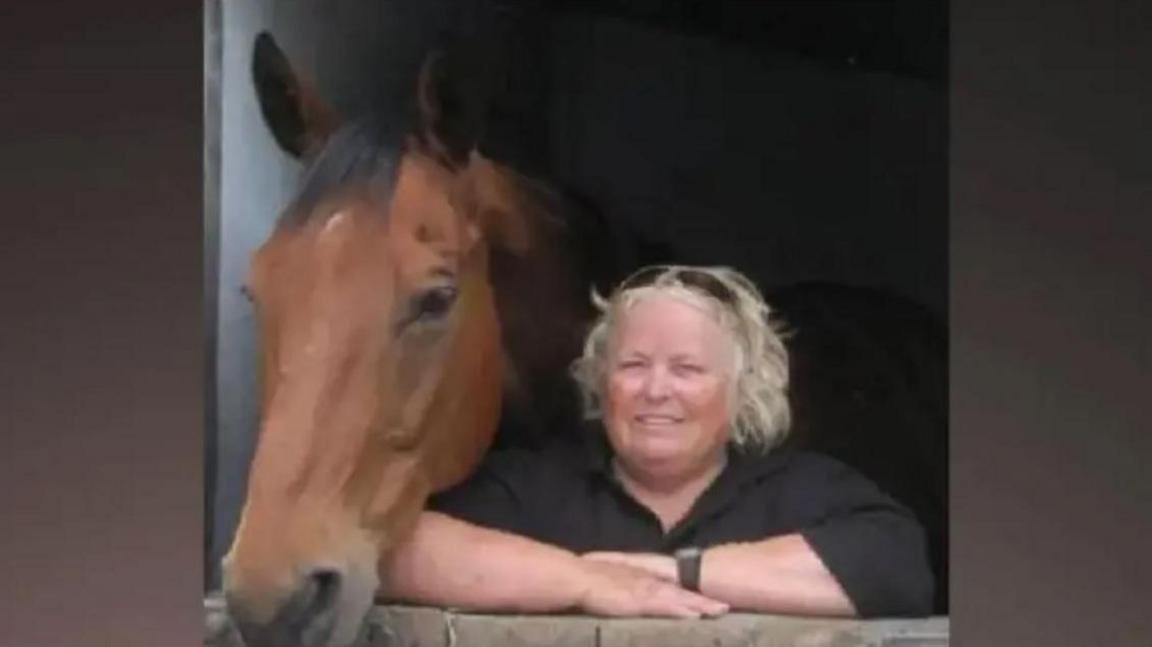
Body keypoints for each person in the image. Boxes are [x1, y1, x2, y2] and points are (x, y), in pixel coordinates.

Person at [380, 265, 935, 618]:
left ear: (743, 391)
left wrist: (674, 571)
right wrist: (584, 581)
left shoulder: (800, 488)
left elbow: (896, 569)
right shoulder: (532, 485)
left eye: (688, 369)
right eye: (633, 365)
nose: (655, 390)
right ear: (601, 382)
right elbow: (392, 547)